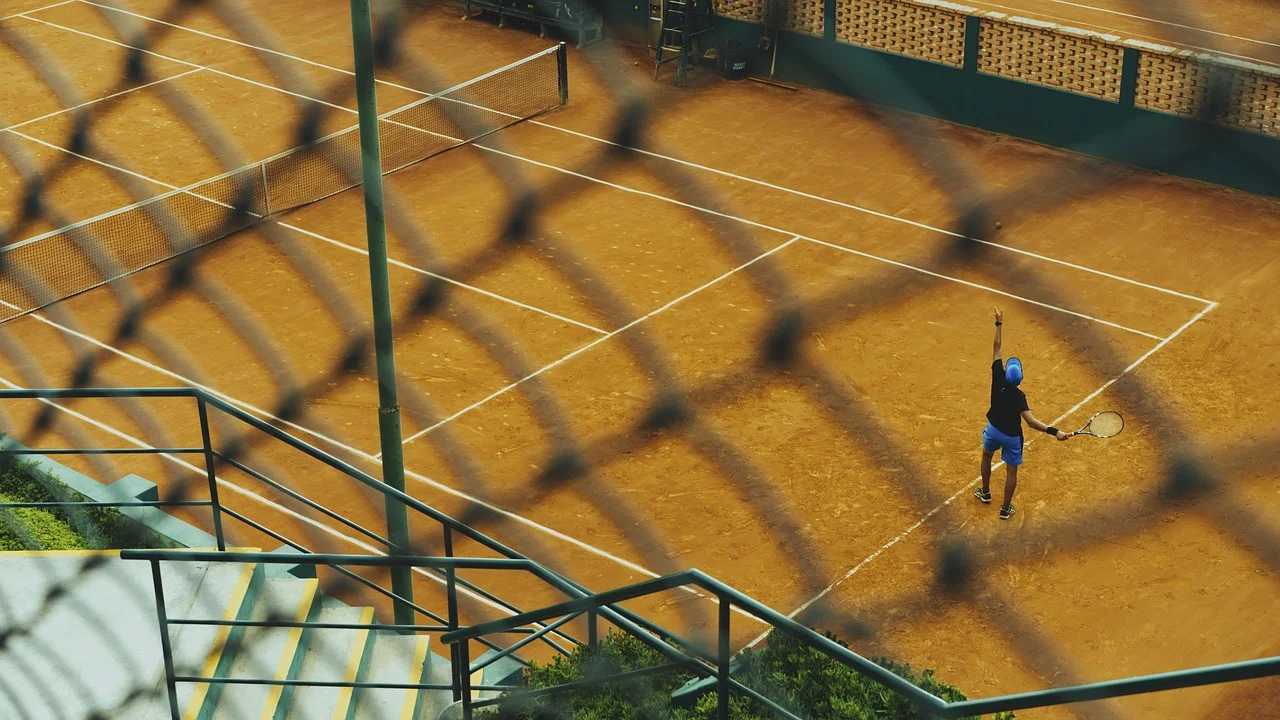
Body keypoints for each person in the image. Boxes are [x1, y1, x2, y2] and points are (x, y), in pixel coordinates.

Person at [975, 308, 1071, 519]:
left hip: (993, 430)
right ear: (1021, 378)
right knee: (1011, 472)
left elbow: (997, 348)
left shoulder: (997, 378)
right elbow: (1031, 422)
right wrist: (1055, 431)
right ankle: (1005, 508)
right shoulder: (1019, 397)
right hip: (1011, 438)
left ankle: (985, 491)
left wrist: (999, 323)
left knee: (986, 455)